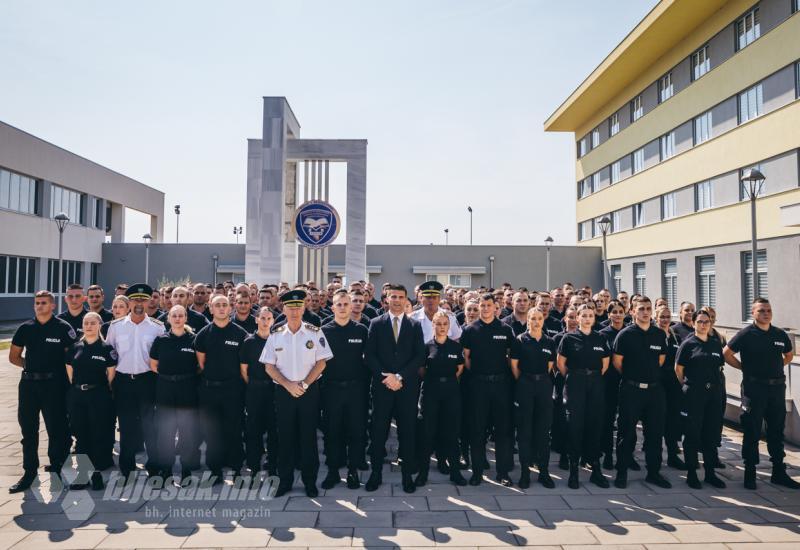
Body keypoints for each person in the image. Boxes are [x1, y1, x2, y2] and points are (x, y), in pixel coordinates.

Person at [261, 290, 333, 497]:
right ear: (283, 309)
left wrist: (304, 384)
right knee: (285, 438)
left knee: (308, 438)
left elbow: (321, 363)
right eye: (290, 307)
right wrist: (287, 384)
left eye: (298, 307)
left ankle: (310, 482)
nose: (294, 311)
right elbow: (269, 366)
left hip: (308, 392)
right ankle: (285, 482)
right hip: (284, 392)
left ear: (304, 308)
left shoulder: (314, 332)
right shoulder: (275, 334)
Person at [723, 298, 799, 490]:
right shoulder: (746, 334)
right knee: (752, 430)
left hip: (776, 389)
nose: (766, 313)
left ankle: (778, 472)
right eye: (762, 311)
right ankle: (750, 472)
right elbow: (726, 353)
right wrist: (743, 368)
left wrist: (776, 366)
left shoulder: (779, 334)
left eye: (768, 310)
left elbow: (789, 355)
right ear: (753, 313)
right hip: (753, 389)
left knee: (776, 430)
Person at [8, 290, 77, 493]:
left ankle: (57, 469)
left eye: (44, 303)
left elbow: (71, 358)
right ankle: (29, 473)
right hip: (29, 385)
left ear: (53, 305)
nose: (40, 306)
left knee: (57, 429)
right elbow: (14, 356)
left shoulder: (63, 328)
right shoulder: (25, 328)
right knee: (28, 430)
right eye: (37, 303)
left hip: (54, 385)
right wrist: (32, 368)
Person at [364, 284, 426, 494]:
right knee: (378, 432)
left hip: (406, 388)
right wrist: (387, 376)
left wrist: (399, 376)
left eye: (401, 297)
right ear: (386, 299)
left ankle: (407, 475)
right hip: (382, 387)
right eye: (393, 297)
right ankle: (375, 474)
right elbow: (369, 355)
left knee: (407, 433)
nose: (397, 300)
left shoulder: (415, 325)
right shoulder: (376, 323)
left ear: (406, 300)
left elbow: (419, 356)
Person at [106, 284, 165, 479]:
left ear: (149, 301)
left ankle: (154, 466)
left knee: (151, 426)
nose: (139, 304)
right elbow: (109, 356)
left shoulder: (157, 327)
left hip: (147, 381)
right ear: (128, 301)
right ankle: (127, 466)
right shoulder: (116, 327)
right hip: (123, 382)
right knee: (126, 425)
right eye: (135, 300)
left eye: (143, 300)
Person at [612, 296, 671, 489]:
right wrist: (634, 378)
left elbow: (660, 360)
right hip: (631, 390)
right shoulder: (625, 335)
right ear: (633, 312)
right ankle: (621, 473)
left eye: (648, 308)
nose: (645, 312)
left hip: (655, 392)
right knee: (626, 433)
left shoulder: (659, 334)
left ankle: (653, 473)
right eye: (641, 309)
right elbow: (617, 362)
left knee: (654, 434)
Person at [461, 292, 515, 486]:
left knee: (502, 431)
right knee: (477, 430)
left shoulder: (506, 329)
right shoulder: (470, 330)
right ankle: (477, 472)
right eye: (481, 306)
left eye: (488, 305)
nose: (484, 309)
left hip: (501, 385)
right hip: (478, 385)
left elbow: (510, 357)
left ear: (495, 307)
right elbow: (466, 358)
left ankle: (502, 473)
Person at [194, 295, 249, 484]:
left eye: (225, 305)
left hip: (233, 390)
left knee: (234, 430)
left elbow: (244, 366)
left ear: (230, 308)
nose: (221, 308)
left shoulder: (240, 333)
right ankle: (215, 470)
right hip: (209, 390)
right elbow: (201, 364)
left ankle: (236, 469)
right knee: (212, 432)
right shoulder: (203, 334)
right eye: (217, 305)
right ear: (211, 308)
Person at [320, 290, 369, 490]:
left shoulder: (361, 330)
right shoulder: (323, 330)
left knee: (356, 432)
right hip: (331, 390)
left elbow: (370, 360)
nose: (342, 307)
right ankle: (332, 472)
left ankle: (353, 471)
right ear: (332, 307)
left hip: (356, 391)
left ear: (352, 307)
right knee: (332, 432)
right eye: (338, 304)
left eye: (345, 304)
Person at [557, 304, 610, 489]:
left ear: (594, 318)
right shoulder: (569, 338)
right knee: (575, 427)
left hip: (595, 382)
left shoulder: (601, 338)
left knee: (595, 426)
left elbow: (605, 364)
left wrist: (591, 377)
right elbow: (561, 364)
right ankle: (573, 472)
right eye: (584, 315)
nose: (587, 318)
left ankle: (595, 470)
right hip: (575, 384)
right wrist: (576, 378)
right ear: (577, 318)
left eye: (590, 315)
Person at [149, 305, 201, 486]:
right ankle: (166, 470)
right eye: (174, 316)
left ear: (186, 318)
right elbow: (153, 365)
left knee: (187, 432)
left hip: (187, 388)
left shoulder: (194, 340)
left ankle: (186, 470)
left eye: (181, 315)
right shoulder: (160, 340)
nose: (178, 319)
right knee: (165, 433)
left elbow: (200, 366)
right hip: (165, 388)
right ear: (168, 319)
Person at [675, 310, 726, 489]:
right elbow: (678, 370)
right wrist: (689, 387)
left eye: (707, 321)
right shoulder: (688, 344)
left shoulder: (715, 344)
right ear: (694, 323)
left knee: (711, 435)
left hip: (713, 394)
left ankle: (710, 473)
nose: (704, 325)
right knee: (692, 434)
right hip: (694, 394)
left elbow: (719, 366)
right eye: (700, 321)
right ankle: (691, 473)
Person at [415, 311, 468, 487]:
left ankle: (455, 472)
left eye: (445, 323)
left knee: (451, 434)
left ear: (449, 325)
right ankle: (423, 473)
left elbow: (459, 369)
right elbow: (422, 371)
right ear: (433, 325)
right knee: (427, 434)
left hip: (451, 393)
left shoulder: (455, 347)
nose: (442, 327)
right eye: (438, 323)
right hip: (431, 392)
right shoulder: (426, 346)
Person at [65, 312, 116, 491]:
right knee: (81, 435)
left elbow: (111, 376)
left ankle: (96, 474)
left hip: (99, 396)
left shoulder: (106, 348)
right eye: (86, 323)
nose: (89, 326)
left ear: (99, 325)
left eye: (93, 323)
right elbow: (70, 372)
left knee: (97, 435)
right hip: (78, 396)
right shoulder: (75, 348)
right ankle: (83, 474)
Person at [510, 308, 555, 488]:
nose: (536, 322)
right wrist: (525, 381)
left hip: (543, 385)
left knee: (543, 431)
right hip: (525, 385)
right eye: (532, 318)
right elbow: (514, 366)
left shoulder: (549, 341)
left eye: (539, 318)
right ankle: (525, 473)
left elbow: (550, 366)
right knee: (524, 431)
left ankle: (544, 472)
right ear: (527, 320)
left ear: (543, 320)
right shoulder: (520, 340)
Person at [240, 307, 278, 479]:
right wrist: (255, 384)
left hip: (274, 389)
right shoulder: (249, 342)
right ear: (256, 319)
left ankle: (272, 463)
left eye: (268, 318)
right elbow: (244, 370)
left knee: (274, 429)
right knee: (253, 429)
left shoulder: (277, 340)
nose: (265, 321)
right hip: (254, 390)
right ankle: (254, 465)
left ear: (273, 321)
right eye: (262, 318)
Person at [598, 300, 628, 471]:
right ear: (608, 315)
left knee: (626, 422)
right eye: (614, 312)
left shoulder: (631, 332)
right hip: (609, 382)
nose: (617, 315)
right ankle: (608, 454)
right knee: (608, 420)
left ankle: (625, 456)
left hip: (628, 381)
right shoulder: (602, 334)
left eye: (620, 311)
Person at [551, 305, 578, 470]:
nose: (574, 320)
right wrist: (570, 375)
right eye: (571, 317)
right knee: (562, 419)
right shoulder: (558, 338)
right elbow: (555, 363)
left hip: (581, 383)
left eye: (576, 317)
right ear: (565, 319)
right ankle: (563, 454)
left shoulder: (585, 337)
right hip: (563, 381)